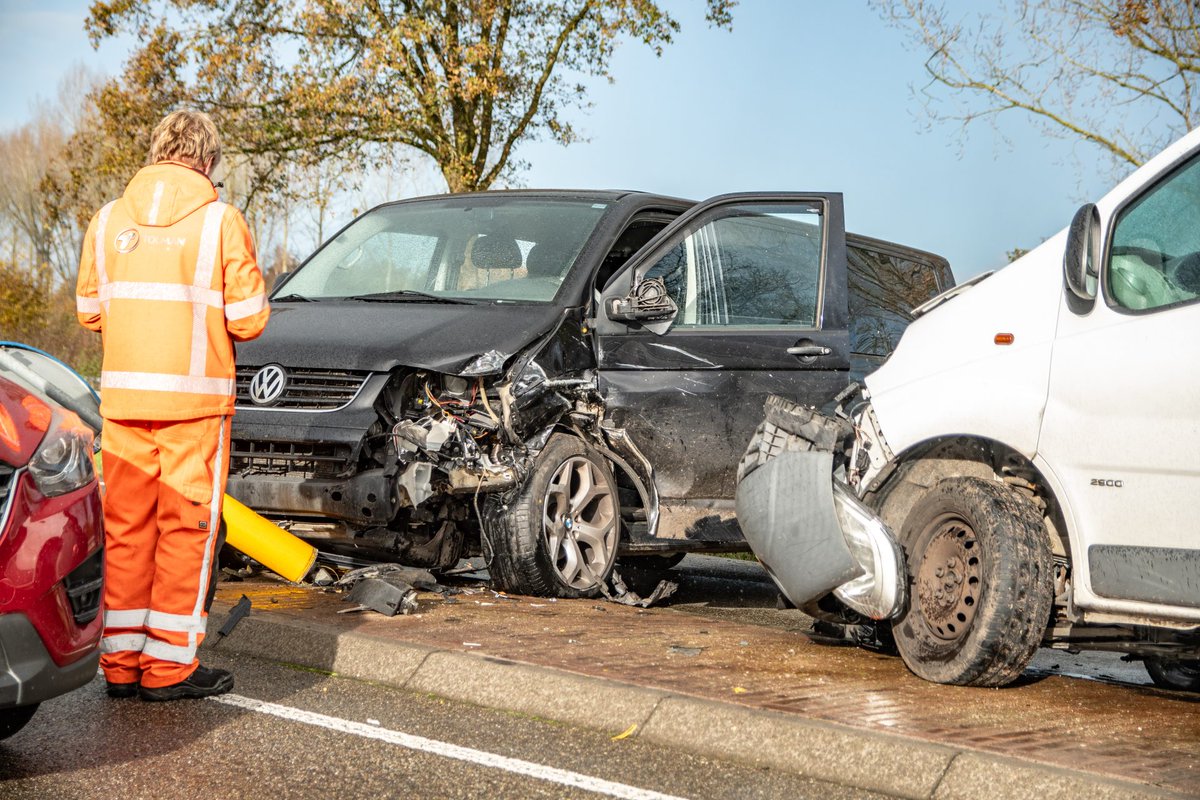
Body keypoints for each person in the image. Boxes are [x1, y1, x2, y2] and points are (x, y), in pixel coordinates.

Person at [76, 110, 269, 701]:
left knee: (127, 531)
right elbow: (250, 318)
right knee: (186, 531)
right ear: (208, 161)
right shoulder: (220, 221)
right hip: (195, 408)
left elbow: (90, 311)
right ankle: (168, 670)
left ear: (157, 151)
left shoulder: (107, 220)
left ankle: (122, 666)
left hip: (124, 404)